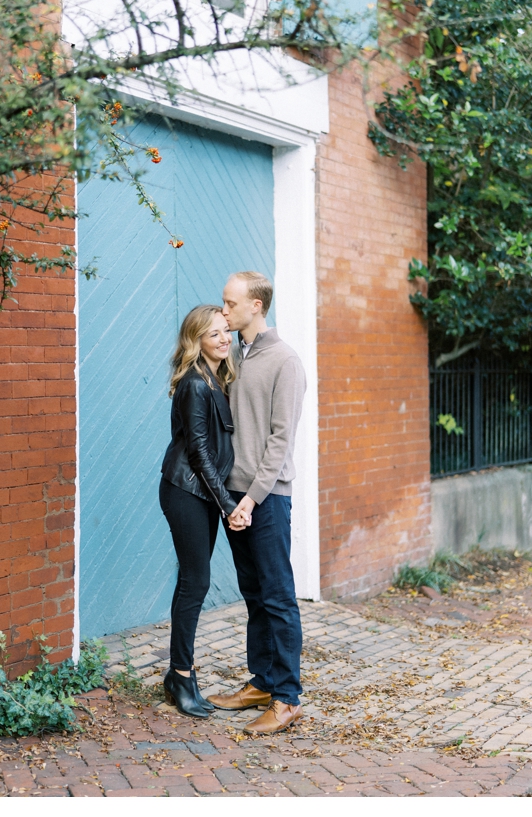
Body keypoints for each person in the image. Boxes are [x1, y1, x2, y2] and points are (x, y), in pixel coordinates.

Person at [206, 271, 309, 736]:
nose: (223, 312)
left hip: (265, 500)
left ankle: (287, 698)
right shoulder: (236, 356)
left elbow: (281, 441)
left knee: (279, 597)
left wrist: (251, 499)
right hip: (235, 498)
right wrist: (231, 498)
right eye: (223, 304)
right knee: (253, 595)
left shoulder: (285, 361)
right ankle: (262, 682)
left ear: (256, 306)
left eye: (230, 304)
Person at [158, 304, 242, 718]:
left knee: (193, 582)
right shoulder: (195, 384)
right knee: (196, 582)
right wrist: (227, 504)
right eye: (214, 334)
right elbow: (199, 452)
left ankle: (179, 674)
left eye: (226, 331)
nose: (224, 339)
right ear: (197, 341)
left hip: (203, 493)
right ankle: (181, 675)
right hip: (187, 491)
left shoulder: (219, 377)